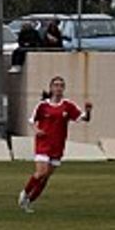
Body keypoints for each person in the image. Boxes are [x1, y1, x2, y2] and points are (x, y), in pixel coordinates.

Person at [18, 76, 92, 213]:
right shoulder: (43, 106)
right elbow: (32, 121)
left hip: (57, 145)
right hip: (43, 143)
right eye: (56, 85)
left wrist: (88, 111)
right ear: (51, 88)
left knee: (46, 177)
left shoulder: (68, 106)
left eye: (61, 85)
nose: (58, 88)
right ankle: (25, 193)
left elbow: (84, 118)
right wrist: (37, 130)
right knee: (41, 172)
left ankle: (29, 201)